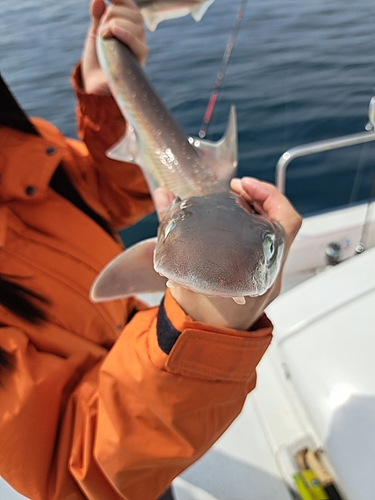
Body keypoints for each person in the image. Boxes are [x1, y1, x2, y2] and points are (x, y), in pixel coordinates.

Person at [0, 0, 302, 499]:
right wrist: (205, 321)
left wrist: (106, 103)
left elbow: (102, 196)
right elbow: (74, 473)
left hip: (141, 346)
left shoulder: (13, 142)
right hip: (125, 438)